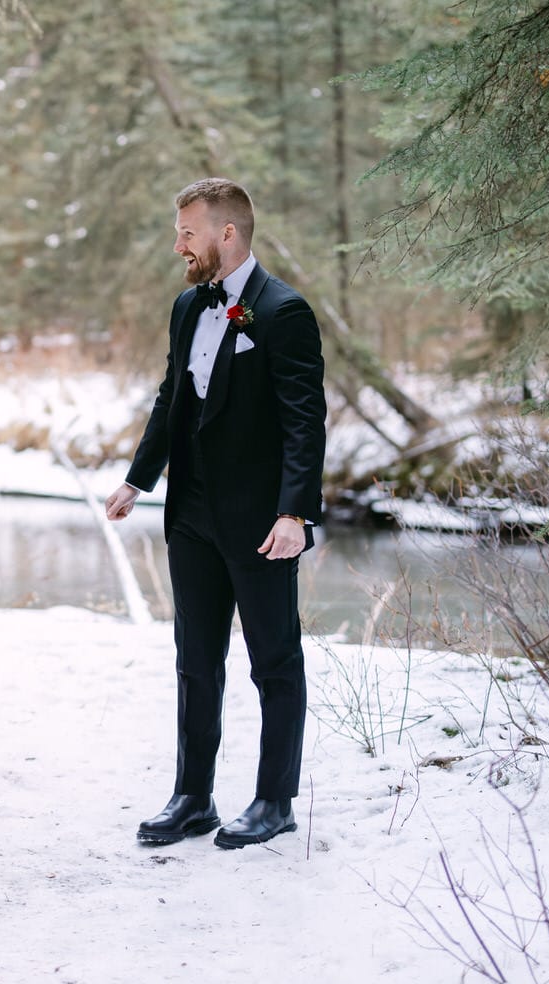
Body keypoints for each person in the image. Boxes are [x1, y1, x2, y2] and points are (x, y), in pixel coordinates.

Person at [105, 179, 326, 850]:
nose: (179, 246)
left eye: (187, 233)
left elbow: (304, 422)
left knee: (274, 661)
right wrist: (139, 478)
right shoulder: (185, 307)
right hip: (191, 514)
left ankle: (274, 800)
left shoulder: (282, 312)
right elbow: (173, 394)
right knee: (196, 659)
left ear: (226, 234)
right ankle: (192, 797)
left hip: (261, 523)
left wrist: (295, 512)